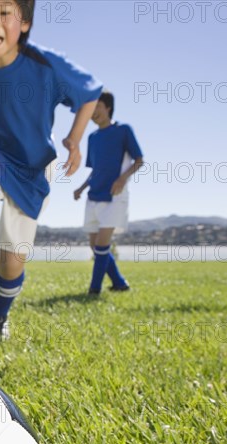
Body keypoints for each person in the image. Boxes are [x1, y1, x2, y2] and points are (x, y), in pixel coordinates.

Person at [0, 0, 102, 345]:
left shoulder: (44, 65)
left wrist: (74, 141)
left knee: (11, 262)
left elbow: (89, 91)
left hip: (33, 167)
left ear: (25, 23)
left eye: (4, 13)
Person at [73, 92, 144, 294]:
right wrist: (82, 187)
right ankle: (120, 283)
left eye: (98, 107)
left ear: (108, 108)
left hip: (114, 195)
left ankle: (94, 290)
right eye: (91, 109)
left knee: (103, 244)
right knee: (96, 246)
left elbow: (139, 160)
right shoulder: (92, 137)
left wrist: (122, 179)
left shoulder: (123, 130)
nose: (94, 113)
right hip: (93, 195)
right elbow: (95, 170)